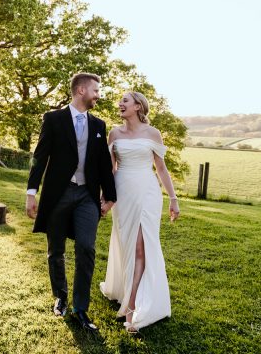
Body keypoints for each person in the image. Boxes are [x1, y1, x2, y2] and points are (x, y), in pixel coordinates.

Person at [26, 73, 116, 333]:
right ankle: (61, 297)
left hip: (87, 196)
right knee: (56, 250)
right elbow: (39, 157)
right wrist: (31, 193)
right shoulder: (53, 119)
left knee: (86, 248)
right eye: (95, 90)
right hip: (59, 194)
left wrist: (109, 198)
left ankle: (80, 308)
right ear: (80, 90)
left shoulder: (99, 125)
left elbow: (103, 165)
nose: (98, 95)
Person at [99, 91, 180, 333]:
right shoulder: (114, 133)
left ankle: (133, 307)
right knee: (126, 243)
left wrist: (173, 199)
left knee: (141, 247)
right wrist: (105, 197)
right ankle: (125, 290)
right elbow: (110, 170)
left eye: (125, 100)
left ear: (137, 106)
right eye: (120, 101)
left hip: (147, 192)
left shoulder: (153, 133)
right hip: (123, 194)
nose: (120, 103)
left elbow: (161, 169)